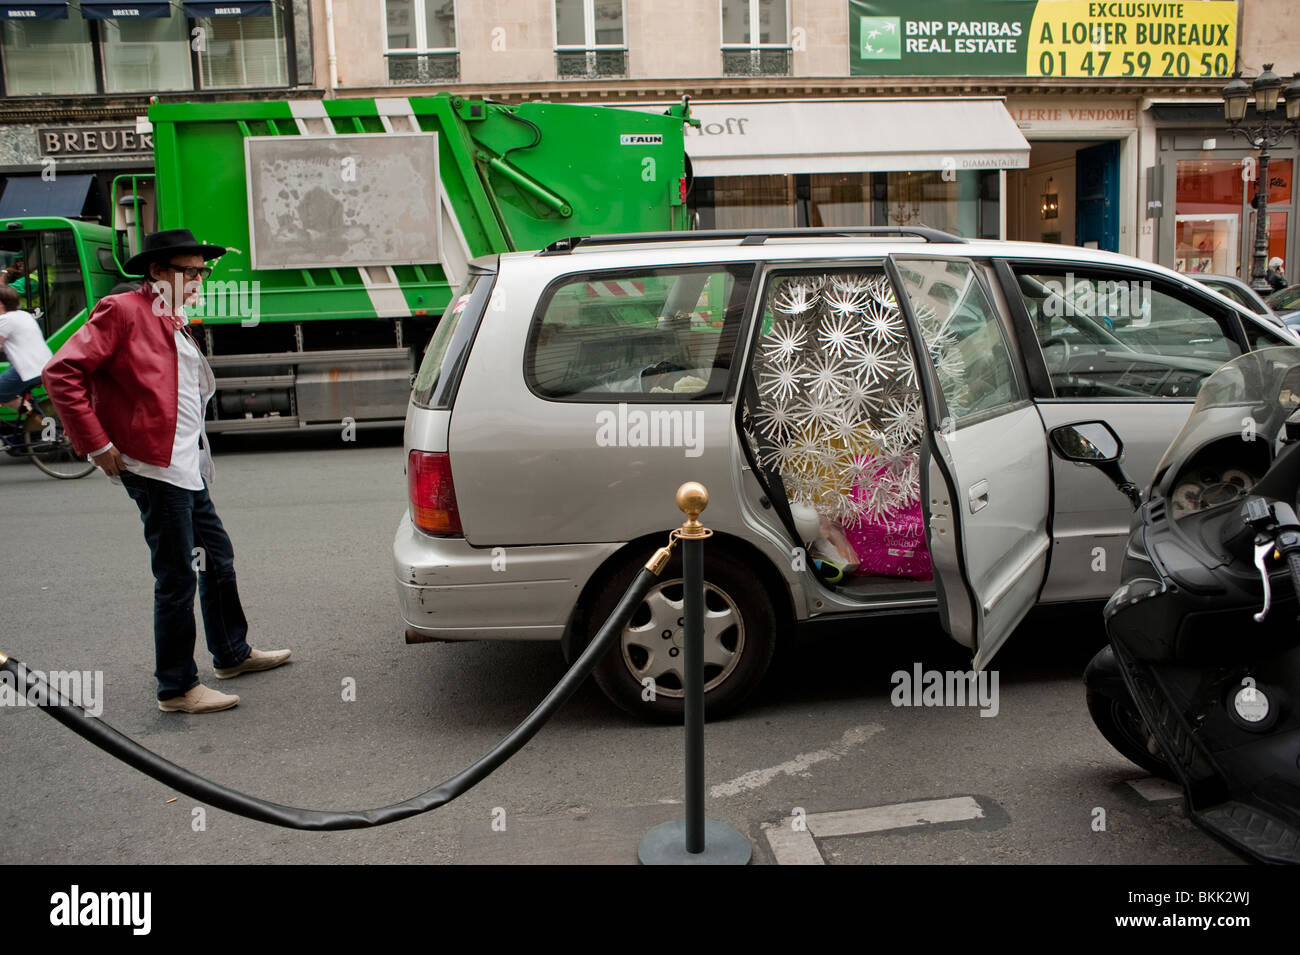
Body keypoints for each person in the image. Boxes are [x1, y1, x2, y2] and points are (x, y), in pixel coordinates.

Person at [43, 229, 291, 714]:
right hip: (153, 467)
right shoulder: (123, 311)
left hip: (183, 465)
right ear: (156, 271)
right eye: (190, 270)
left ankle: (232, 654)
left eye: (204, 271)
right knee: (177, 575)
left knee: (216, 560)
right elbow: (61, 372)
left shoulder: (170, 314)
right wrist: (97, 444)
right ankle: (177, 687)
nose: (200, 279)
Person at [0, 285, 51, 409]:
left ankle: (35, 419)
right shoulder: (23, 315)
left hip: (28, 370)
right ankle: (33, 418)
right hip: (44, 367)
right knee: (7, 392)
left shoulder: (5, 319)